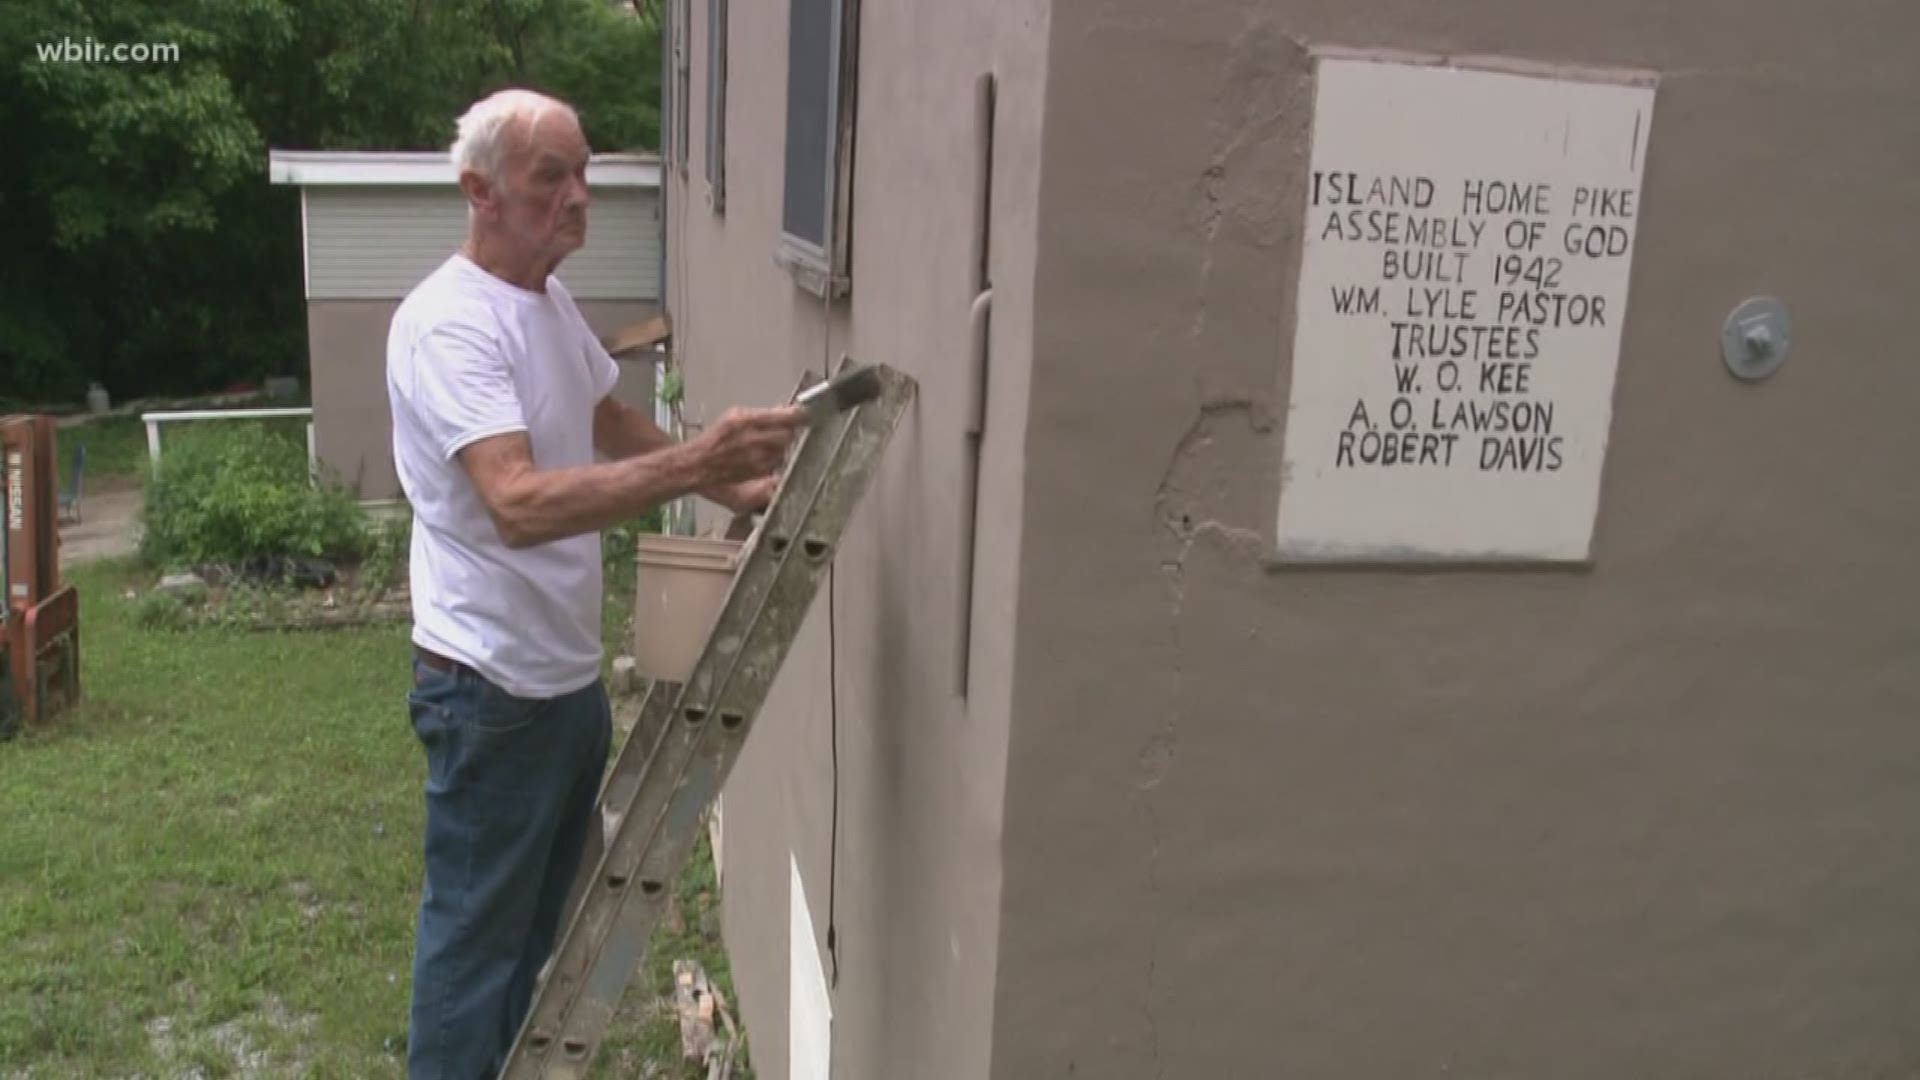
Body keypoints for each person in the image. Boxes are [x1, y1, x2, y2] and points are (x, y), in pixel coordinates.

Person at [384, 88, 804, 1079]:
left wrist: (733, 475)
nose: (580, 196)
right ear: (478, 190)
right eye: (552, 177)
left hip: (559, 680)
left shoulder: (545, 301)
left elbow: (606, 413)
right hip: (489, 691)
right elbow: (517, 504)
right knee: (474, 951)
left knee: (534, 940)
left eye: (587, 172)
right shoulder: (450, 325)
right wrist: (701, 464)